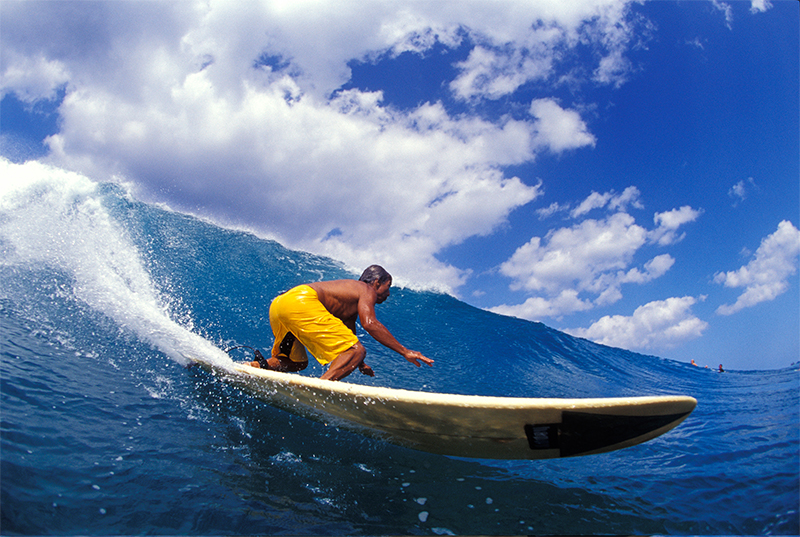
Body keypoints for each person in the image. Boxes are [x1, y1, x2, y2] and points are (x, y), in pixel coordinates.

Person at [251, 265, 433, 381]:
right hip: (303, 301)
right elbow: (370, 323)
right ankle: (321, 388)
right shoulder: (366, 289)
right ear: (377, 282)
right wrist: (405, 351)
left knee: (294, 362)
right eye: (388, 287)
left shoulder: (349, 299)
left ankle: (256, 367)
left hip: (280, 304)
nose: (388, 293)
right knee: (357, 350)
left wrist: (360, 363)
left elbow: (348, 338)